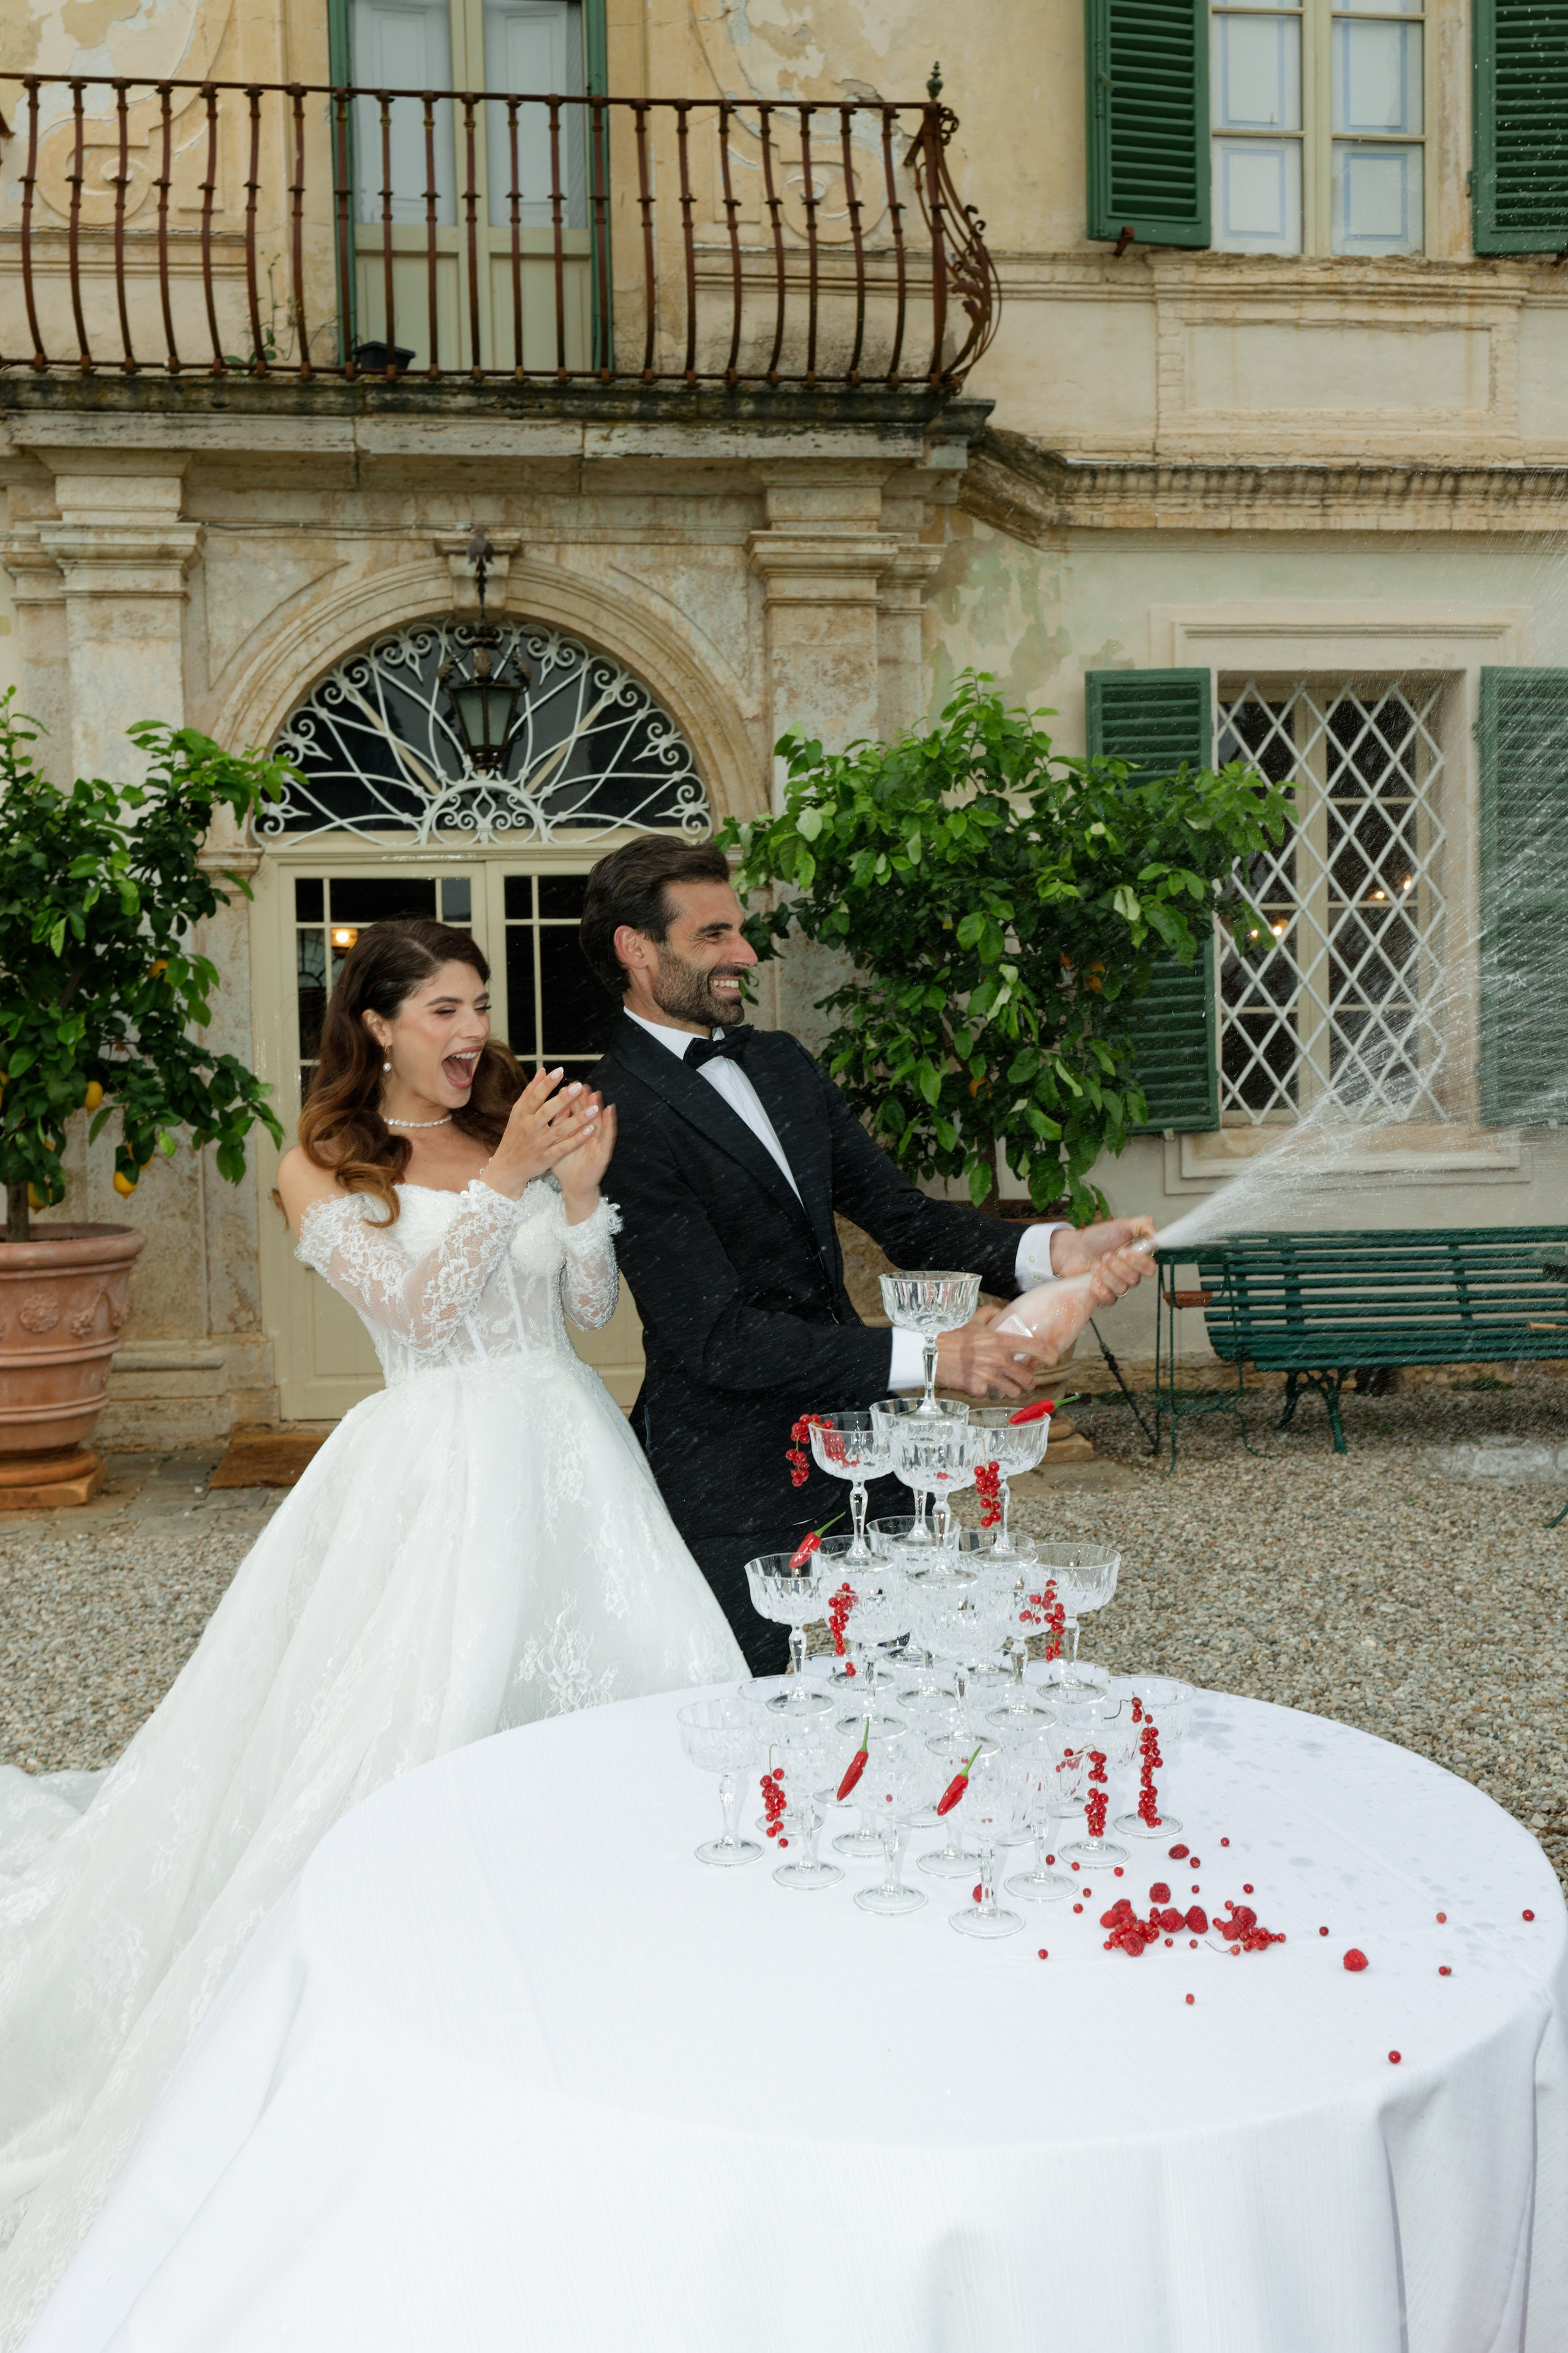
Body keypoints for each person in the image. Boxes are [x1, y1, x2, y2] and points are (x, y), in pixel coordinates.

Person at [0, 916, 743, 2343]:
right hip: (437, 1470)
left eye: (481, 1005)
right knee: (420, 1730)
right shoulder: (319, 1164)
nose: (473, 1031)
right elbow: (406, 1301)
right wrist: (515, 1175)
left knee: (643, 1711)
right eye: (447, 1009)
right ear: (378, 1022)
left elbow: (582, 1313)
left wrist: (578, 1200)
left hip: (570, 1449)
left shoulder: (514, 1131)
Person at [584, 839, 1155, 1675]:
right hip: (734, 1487)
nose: (744, 954)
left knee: (912, 1694)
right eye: (713, 936)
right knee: (779, 1727)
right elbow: (718, 1337)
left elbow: (906, 1216)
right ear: (637, 950)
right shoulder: (612, 1111)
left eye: (739, 931)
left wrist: (1056, 1247)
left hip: (867, 1464)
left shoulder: (779, 1061)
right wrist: (933, 1355)